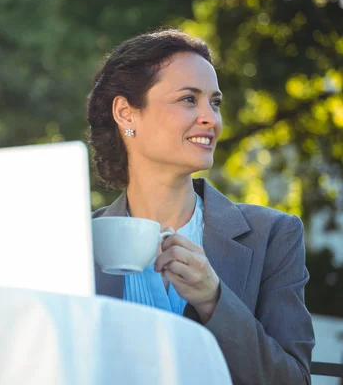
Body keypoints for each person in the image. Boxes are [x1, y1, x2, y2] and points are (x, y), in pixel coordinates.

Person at [87, 28, 315, 385]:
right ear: (126, 113)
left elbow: (293, 381)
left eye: (215, 102)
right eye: (189, 99)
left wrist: (214, 300)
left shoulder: (273, 235)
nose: (211, 119)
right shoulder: (77, 244)